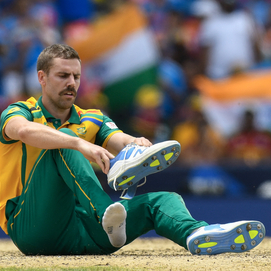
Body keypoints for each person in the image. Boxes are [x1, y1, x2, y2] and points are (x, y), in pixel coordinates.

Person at [0, 44, 265, 256]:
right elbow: (22, 131)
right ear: (42, 78)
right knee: (64, 140)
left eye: (76, 76)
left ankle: (196, 233)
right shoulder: (20, 111)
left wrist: (137, 147)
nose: (72, 83)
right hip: (31, 228)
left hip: (84, 231)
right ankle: (107, 214)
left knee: (164, 200)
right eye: (63, 75)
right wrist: (79, 143)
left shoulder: (92, 117)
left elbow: (119, 139)